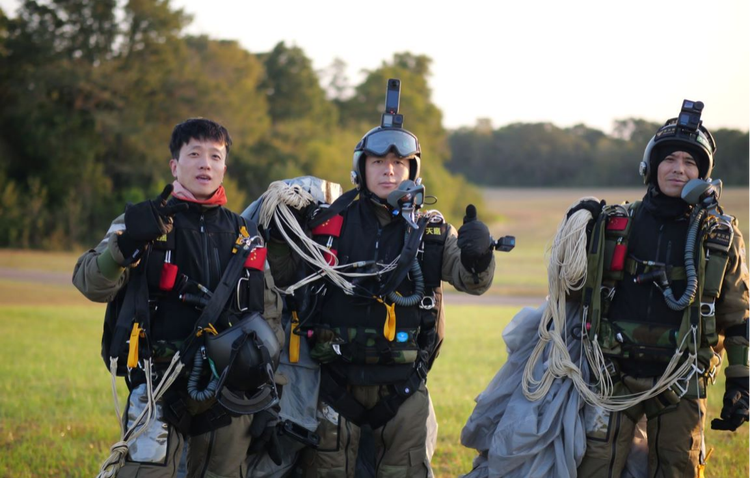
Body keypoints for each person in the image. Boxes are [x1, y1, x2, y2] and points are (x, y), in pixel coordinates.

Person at [263, 90, 500, 477]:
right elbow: (285, 277)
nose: (389, 170)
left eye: (398, 163)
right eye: (378, 162)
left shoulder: (432, 232)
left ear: (412, 172)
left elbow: (472, 282)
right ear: (362, 167)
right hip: (334, 388)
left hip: (403, 391)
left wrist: (478, 255)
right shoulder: (325, 224)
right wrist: (277, 238)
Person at [73, 118, 284, 478]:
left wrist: (268, 399)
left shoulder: (246, 234)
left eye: (215, 156)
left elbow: (270, 317)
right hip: (157, 389)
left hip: (228, 394)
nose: (205, 164)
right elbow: (89, 282)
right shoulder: (141, 224)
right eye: (195, 154)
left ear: (224, 167)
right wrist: (124, 246)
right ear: (175, 165)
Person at [571, 100, 750, 477]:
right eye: (670, 160)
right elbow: (574, 293)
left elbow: (738, 315)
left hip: (681, 377)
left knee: (677, 468)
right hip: (613, 372)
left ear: (703, 174)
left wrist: (741, 382)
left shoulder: (718, 237)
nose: (679, 169)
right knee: (595, 467)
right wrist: (581, 233)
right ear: (651, 168)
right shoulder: (615, 224)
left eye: (690, 162)